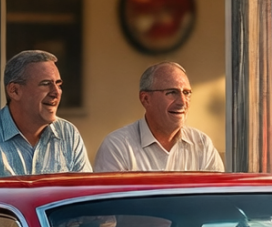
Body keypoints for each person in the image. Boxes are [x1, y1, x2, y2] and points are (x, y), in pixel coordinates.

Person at [0, 49, 91, 182]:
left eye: (58, 84)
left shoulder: (68, 134)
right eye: (46, 83)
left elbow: (85, 200)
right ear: (14, 91)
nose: (56, 92)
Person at [95, 61, 224, 172]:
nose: (182, 102)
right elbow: (114, 200)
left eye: (186, 93)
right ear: (145, 99)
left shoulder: (202, 144)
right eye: (172, 92)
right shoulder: (117, 147)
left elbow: (215, 197)